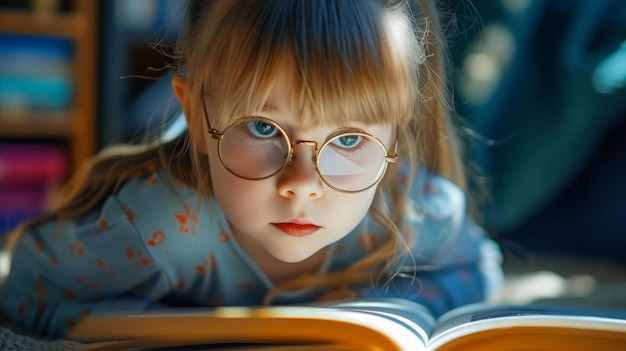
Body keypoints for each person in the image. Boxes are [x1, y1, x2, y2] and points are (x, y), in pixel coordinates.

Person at [0, 0, 503, 339]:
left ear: (396, 135)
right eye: (264, 128)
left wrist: (376, 303)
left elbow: (481, 266)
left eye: (349, 139)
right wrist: (193, 328)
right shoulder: (155, 226)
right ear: (196, 117)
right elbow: (25, 293)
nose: (302, 185)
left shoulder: (410, 211)